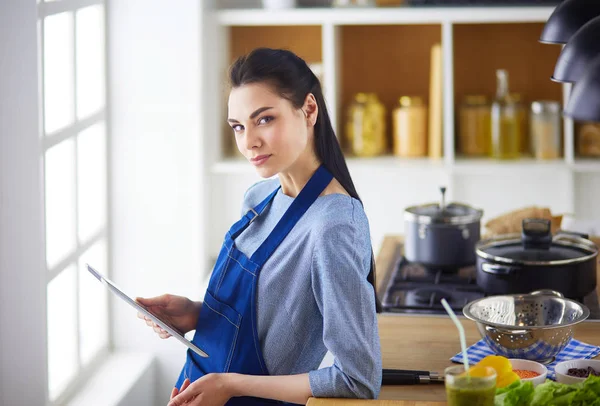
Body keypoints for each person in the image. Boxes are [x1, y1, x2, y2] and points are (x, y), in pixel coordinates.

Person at [136, 47, 382, 406]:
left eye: (264, 119)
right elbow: (271, 320)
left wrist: (231, 385)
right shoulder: (259, 197)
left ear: (309, 110)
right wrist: (196, 313)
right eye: (238, 126)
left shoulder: (333, 226)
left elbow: (358, 379)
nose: (248, 142)